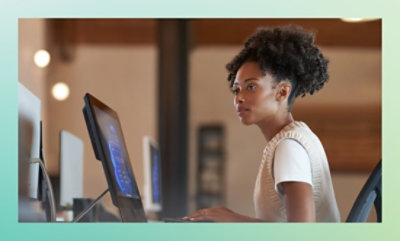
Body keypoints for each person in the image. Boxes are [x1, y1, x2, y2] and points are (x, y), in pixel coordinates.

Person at [183, 25, 341, 222]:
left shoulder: (289, 147)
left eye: (251, 87)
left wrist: (234, 220)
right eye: (236, 90)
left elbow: (301, 231)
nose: (239, 98)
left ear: (282, 92)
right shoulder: (290, 140)